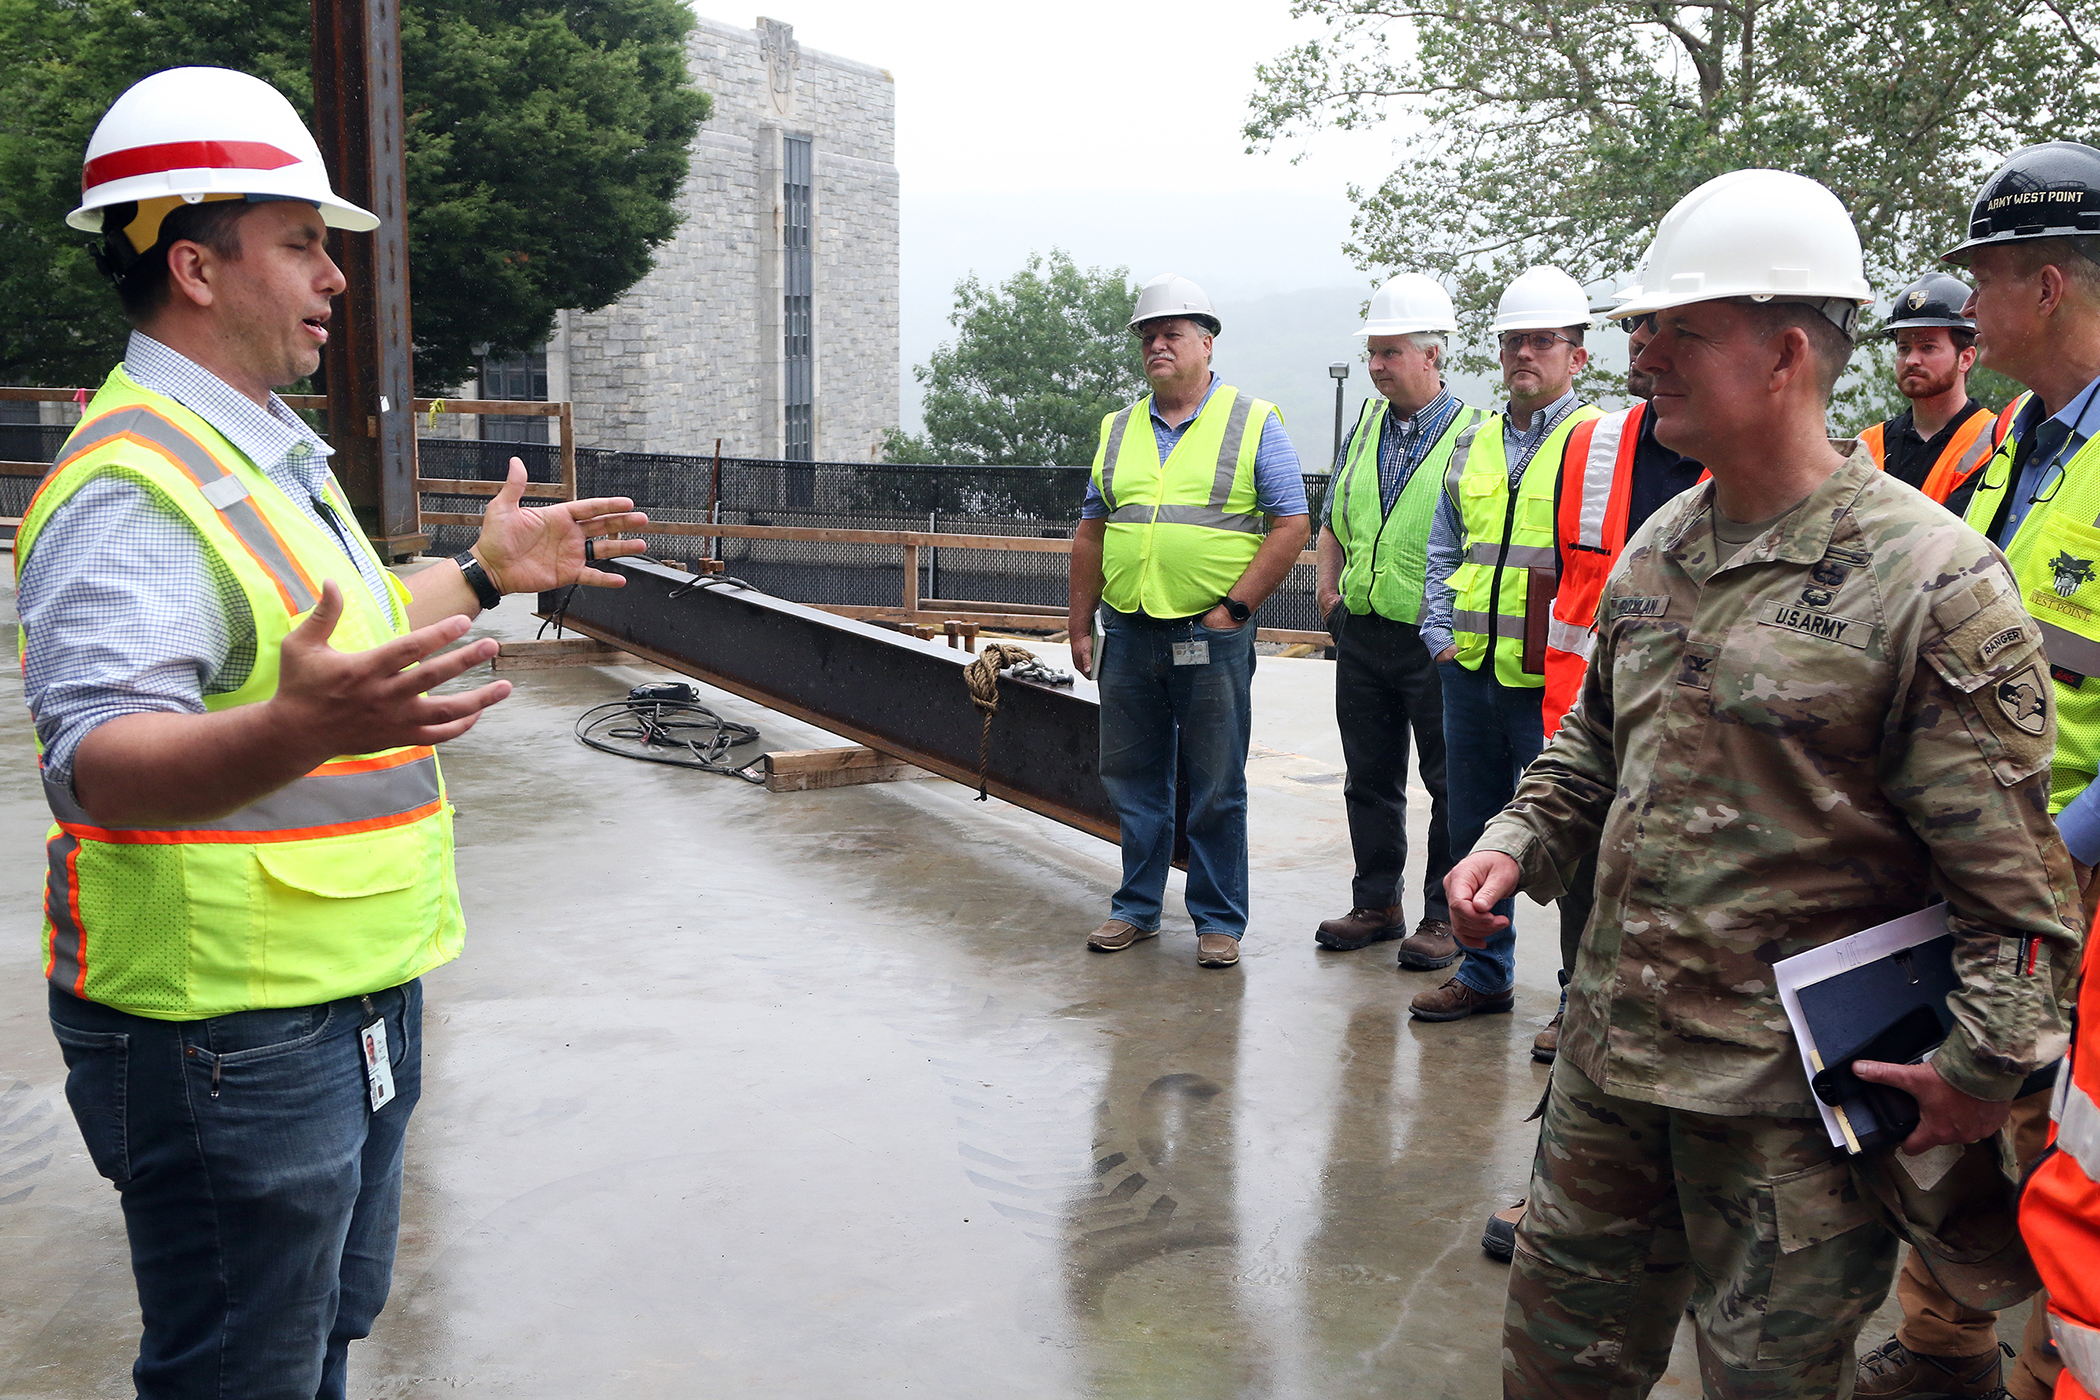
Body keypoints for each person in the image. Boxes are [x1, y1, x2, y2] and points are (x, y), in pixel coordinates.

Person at [26, 67, 648, 1398]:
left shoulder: (255, 451)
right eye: (303, 241)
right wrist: (301, 731)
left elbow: (336, 637)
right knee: (239, 1373)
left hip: (336, 997)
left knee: (314, 1343)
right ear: (195, 265)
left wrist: (483, 575)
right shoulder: (136, 483)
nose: (337, 277)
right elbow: (93, 765)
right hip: (222, 1028)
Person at [1444, 167, 2081, 1397]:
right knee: (1553, 1374)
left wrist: (1975, 1070)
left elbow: (2015, 885)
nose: (1644, 355)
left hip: (1784, 1122)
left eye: (1680, 329)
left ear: (1787, 350)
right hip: (1610, 1074)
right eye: (1643, 329)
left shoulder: (1930, 583)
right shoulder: (1660, 543)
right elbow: (1592, 749)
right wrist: (1517, 838)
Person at [1951, 141, 2100, 1400]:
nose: (1966, 307)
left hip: (2073, 864)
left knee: (2063, 1143)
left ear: (2048, 285)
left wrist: (2073, 839)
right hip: (1991, 848)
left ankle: (2053, 1361)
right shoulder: (2019, 440)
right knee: (1967, 1104)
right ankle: (1946, 1345)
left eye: (1982, 278)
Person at [1066, 272, 1310, 969]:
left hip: (1209, 636)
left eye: (1170, 334)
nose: (1156, 346)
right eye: (1148, 336)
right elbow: (1090, 531)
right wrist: (1080, 625)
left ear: (1207, 342)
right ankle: (1137, 909)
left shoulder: (1254, 421)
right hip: (1131, 630)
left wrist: (1234, 610)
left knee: (1213, 781)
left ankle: (1218, 919)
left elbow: (1292, 522)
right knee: (1132, 778)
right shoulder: (1118, 429)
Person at [1413, 266, 1600, 1020]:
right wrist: (1437, 636)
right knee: (1474, 824)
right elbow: (1444, 548)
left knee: (1569, 842)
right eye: (1514, 340)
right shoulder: (1475, 442)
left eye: (1543, 340)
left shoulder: (1600, 443)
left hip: (1552, 681)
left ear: (1577, 356)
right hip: (1470, 672)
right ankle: (1484, 975)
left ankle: (1574, 1000)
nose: (1527, 353)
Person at [1311, 274, 1476, 959]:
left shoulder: (1474, 436)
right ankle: (1376, 903)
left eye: (1389, 353)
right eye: (1373, 353)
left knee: (1448, 783)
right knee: (1370, 777)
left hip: (1434, 641)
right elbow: (1333, 518)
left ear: (1432, 355)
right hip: (1365, 631)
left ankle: (1444, 918)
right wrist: (1329, 594)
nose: (1376, 366)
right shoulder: (1367, 426)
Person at [1856, 271, 2001, 513]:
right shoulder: (1868, 444)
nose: (1912, 360)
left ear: (1966, 358)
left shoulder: (1994, 443)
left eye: (1928, 347)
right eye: (1904, 348)